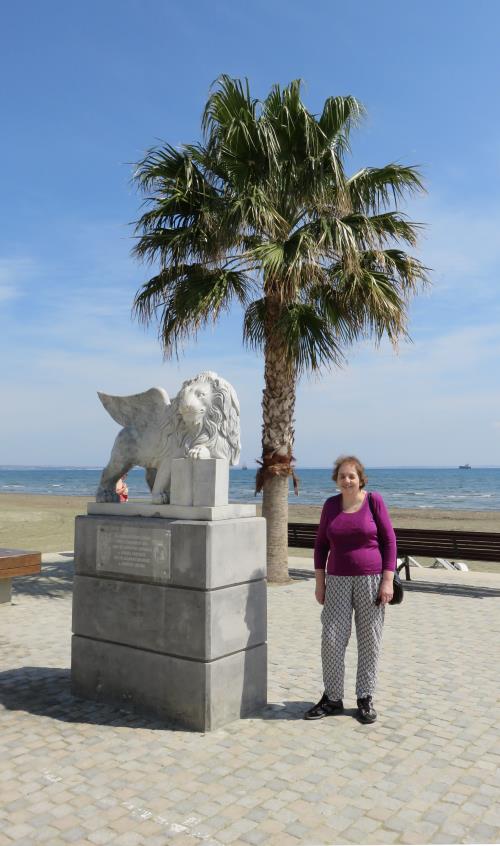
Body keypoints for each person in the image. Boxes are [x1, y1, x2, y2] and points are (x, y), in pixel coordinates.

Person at [304, 455, 396, 724]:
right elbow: (321, 545)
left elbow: (389, 542)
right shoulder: (331, 506)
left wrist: (387, 581)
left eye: (351, 476)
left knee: (369, 640)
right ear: (336, 479)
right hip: (337, 580)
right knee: (331, 639)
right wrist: (320, 583)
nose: (347, 480)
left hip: (371, 580)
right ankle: (332, 698)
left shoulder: (374, 501)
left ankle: (365, 698)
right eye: (342, 476)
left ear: (360, 479)